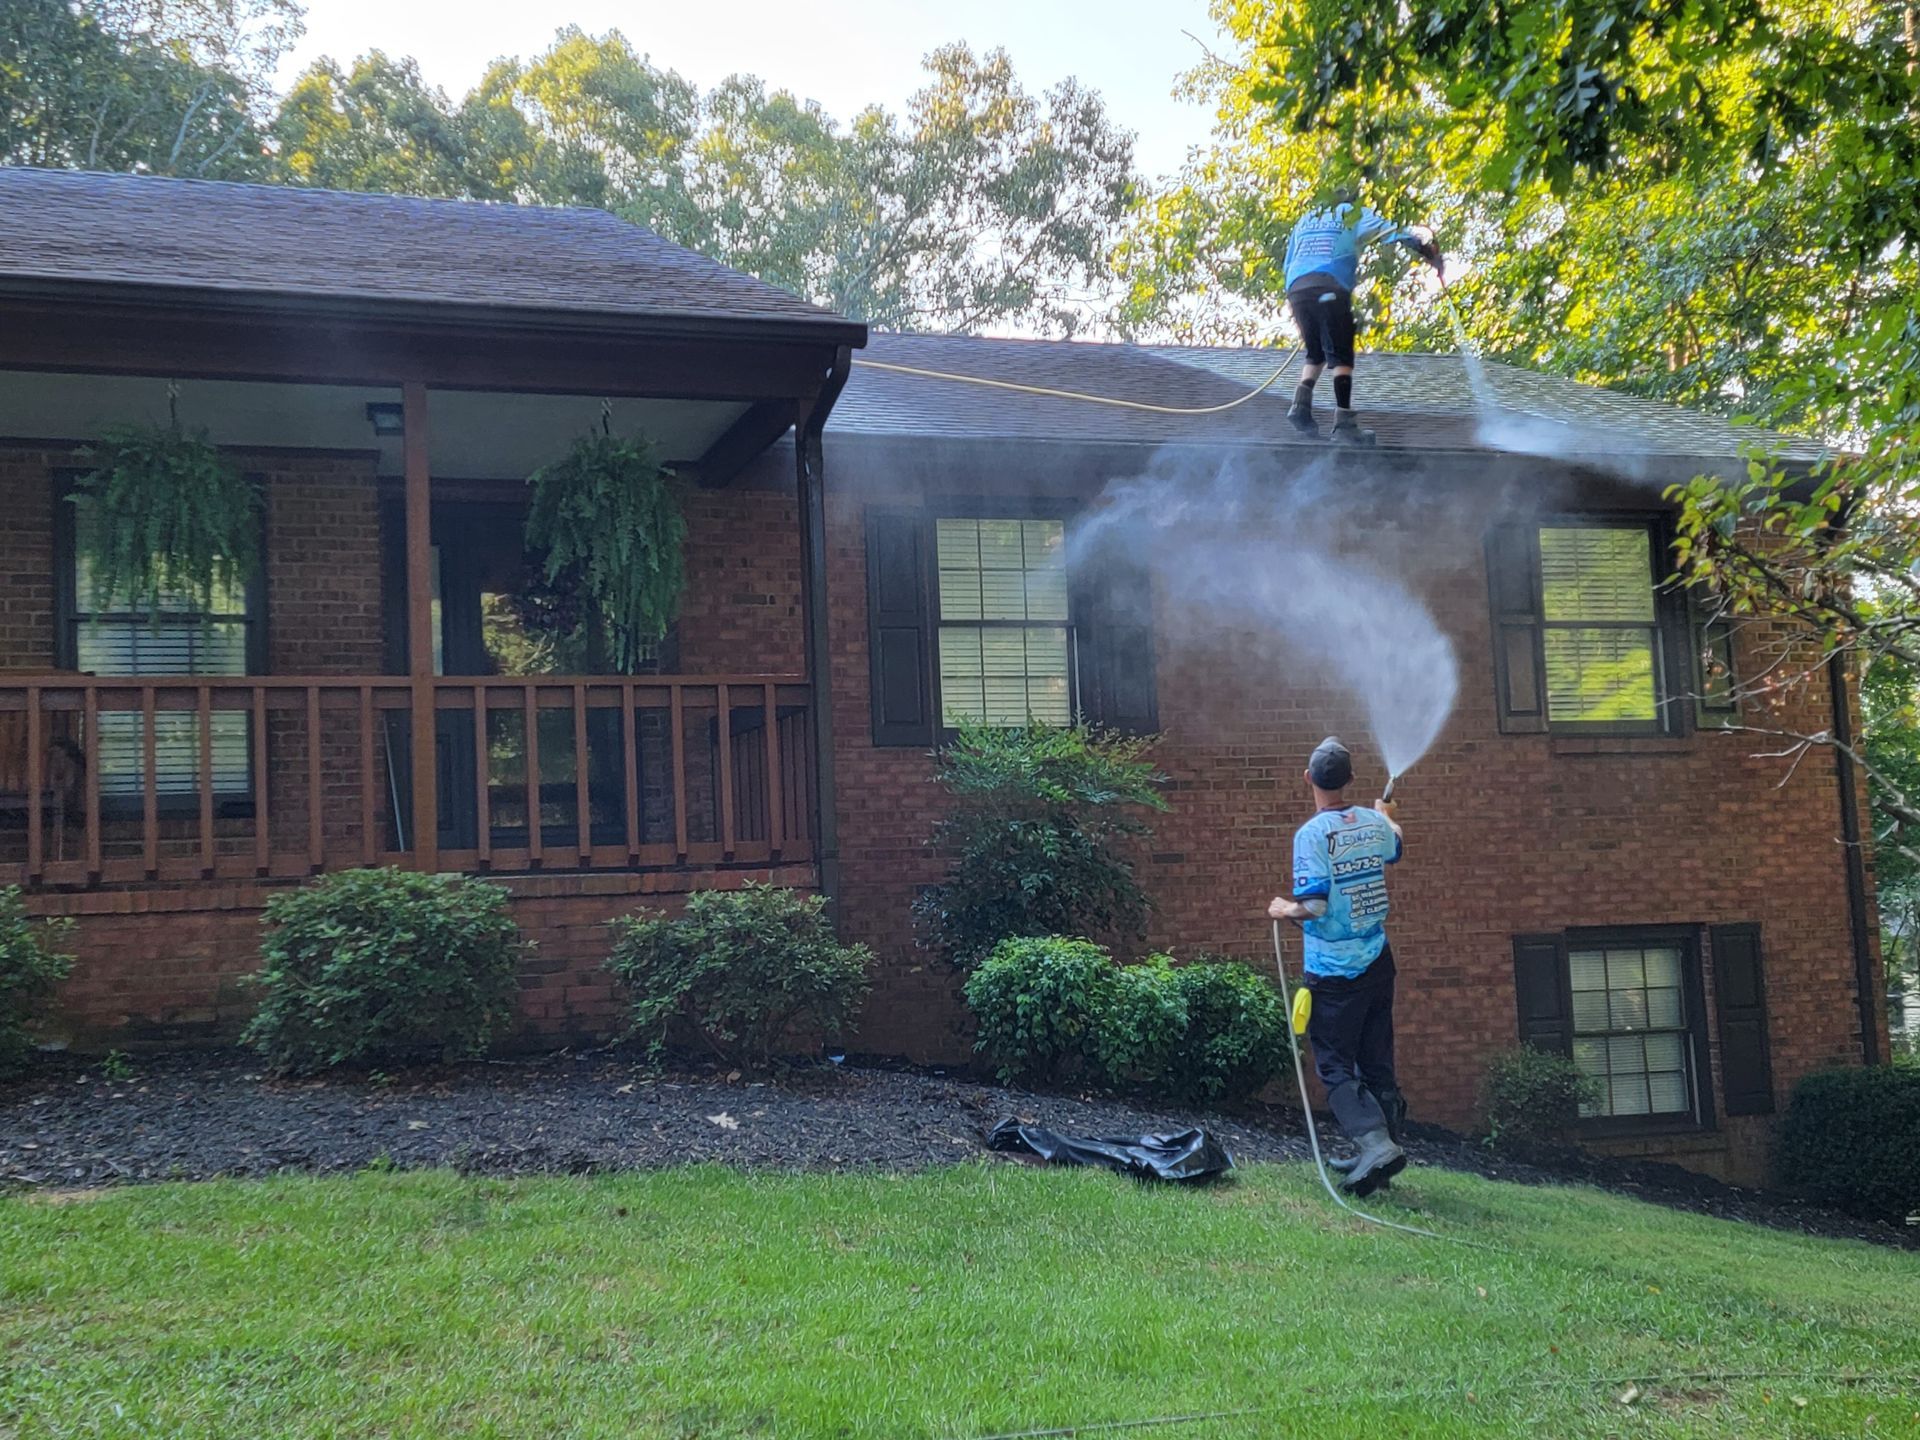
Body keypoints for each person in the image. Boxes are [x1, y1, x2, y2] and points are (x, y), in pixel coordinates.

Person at [1268, 736, 1408, 1196]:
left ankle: (1374, 1144)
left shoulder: (1311, 835)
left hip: (1333, 971)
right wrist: (1387, 817)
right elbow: (1396, 846)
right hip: (1378, 961)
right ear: (1349, 779)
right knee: (1376, 1059)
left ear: (1308, 778)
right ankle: (1382, 1149)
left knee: (1334, 1065)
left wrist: (1283, 909)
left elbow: (1313, 905)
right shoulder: (1373, 821)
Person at [1280, 193, 1443, 444]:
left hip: (1297, 288)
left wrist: (1298, 294)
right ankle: (1344, 424)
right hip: (1329, 284)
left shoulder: (1306, 218)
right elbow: (1391, 231)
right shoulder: (1352, 213)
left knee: (1316, 352)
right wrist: (1427, 252)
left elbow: (1288, 261)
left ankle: (1300, 407)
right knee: (1342, 354)